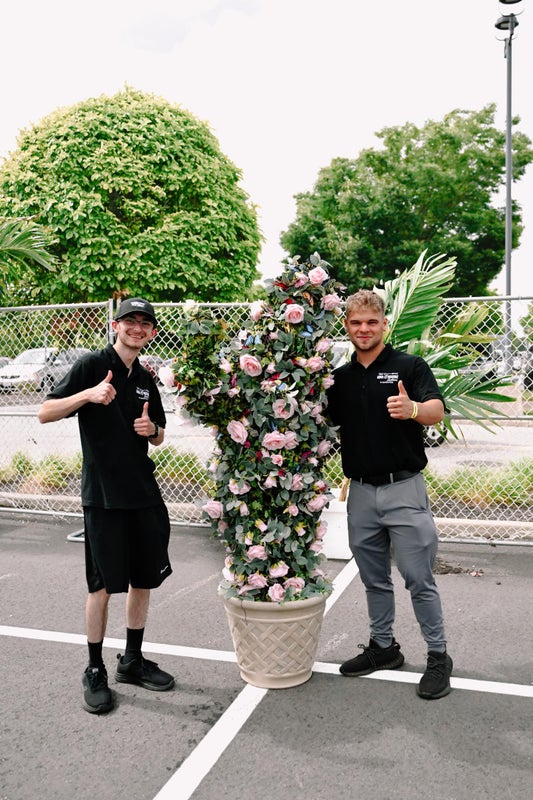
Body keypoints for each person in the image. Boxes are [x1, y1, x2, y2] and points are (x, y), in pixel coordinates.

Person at [38, 298, 174, 714]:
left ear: (151, 333)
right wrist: (88, 395)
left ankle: (131, 660)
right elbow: (45, 412)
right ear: (116, 325)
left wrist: (152, 431)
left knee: (143, 579)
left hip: (143, 494)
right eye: (130, 321)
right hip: (103, 496)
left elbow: (160, 436)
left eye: (145, 324)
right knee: (100, 586)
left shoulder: (147, 379)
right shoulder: (91, 365)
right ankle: (95, 668)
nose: (137, 328)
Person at [326, 289, 453, 700]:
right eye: (356, 322)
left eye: (372, 322)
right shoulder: (339, 379)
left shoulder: (409, 366)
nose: (364, 329)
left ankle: (438, 656)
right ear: (346, 325)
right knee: (374, 579)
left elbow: (437, 411)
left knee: (419, 578)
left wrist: (412, 409)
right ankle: (384, 648)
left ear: (385, 324)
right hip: (360, 494)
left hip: (404, 490)